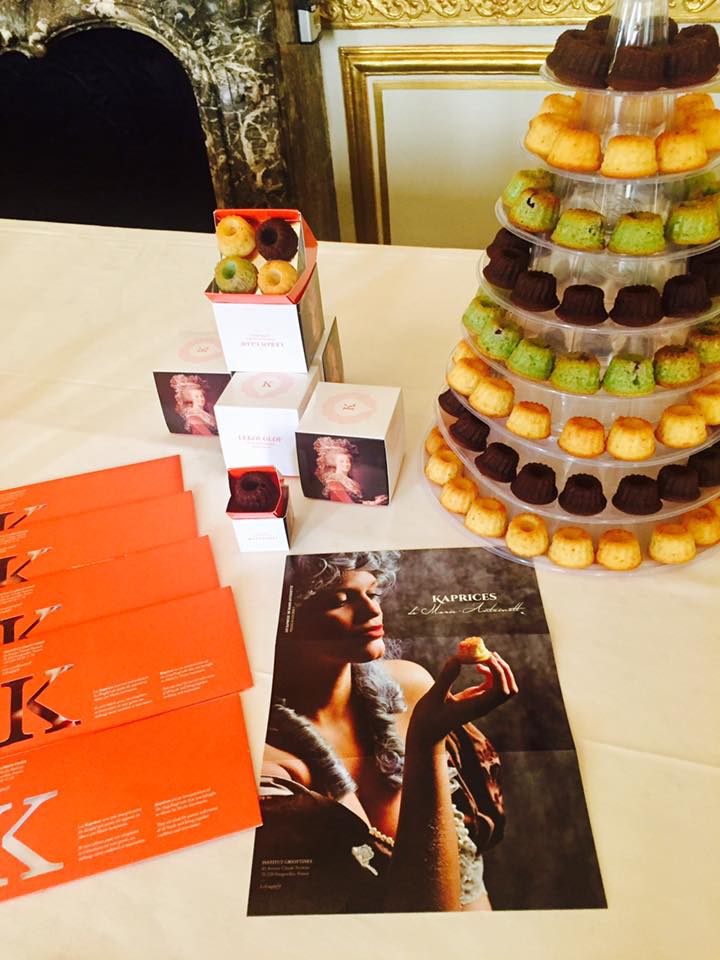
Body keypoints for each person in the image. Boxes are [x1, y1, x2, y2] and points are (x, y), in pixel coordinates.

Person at [256, 551, 518, 914]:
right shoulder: (271, 766)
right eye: (340, 600)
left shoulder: (411, 688)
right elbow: (423, 919)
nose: (371, 611)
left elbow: (470, 889)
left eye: (373, 593)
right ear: (285, 622)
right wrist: (426, 741)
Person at [313, 436, 387, 505]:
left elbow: (357, 502)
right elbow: (349, 504)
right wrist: (374, 504)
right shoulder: (334, 482)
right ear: (335, 464)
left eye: (347, 461)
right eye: (341, 461)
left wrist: (374, 502)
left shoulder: (350, 482)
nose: (346, 464)